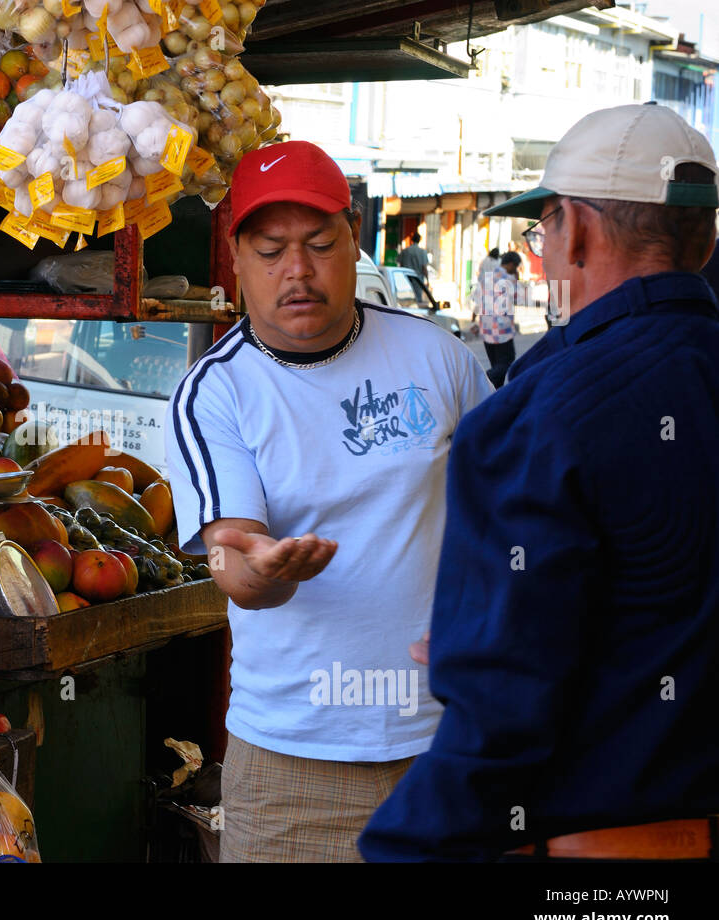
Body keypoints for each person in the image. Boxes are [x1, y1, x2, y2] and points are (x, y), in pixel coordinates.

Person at [359, 102, 719, 862]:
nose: (543, 248)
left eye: (544, 227)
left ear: (577, 230)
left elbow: (503, 711)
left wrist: (400, 848)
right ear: (707, 236)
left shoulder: (538, 416)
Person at [164, 140, 493, 863]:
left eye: (319, 243)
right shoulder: (216, 392)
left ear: (354, 241)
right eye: (273, 249)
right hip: (292, 767)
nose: (298, 271)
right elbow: (229, 552)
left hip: (445, 742)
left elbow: (507, 512)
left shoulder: (439, 359)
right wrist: (262, 570)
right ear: (238, 257)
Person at [469, 250, 522, 387]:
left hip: (486, 328)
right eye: (515, 267)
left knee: (496, 364)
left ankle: (493, 393)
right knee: (506, 363)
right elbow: (519, 298)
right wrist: (517, 279)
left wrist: (473, 320)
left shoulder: (486, 277)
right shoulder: (509, 280)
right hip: (502, 331)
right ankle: (480, 380)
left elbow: (477, 300)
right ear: (511, 265)